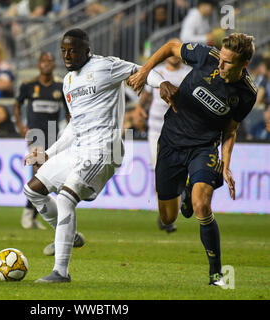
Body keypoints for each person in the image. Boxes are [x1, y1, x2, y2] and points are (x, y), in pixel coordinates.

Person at [22, 28, 162, 283]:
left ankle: (60, 272)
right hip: (79, 148)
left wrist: (162, 84)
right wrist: (48, 153)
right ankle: (69, 235)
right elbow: (75, 125)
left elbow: (141, 71)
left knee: (65, 199)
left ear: (86, 50)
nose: (67, 55)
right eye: (63, 50)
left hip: (104, 147)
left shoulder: (105, 67)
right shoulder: (68, 81)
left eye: (72, 50)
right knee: (33, 190)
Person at [128, 33, 257, 286]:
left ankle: (216, 275)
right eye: (221, 59)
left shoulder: (247, 94)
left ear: (245, 64)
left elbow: (231, 130)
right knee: (168, 218)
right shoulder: (207, 57)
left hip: (203, 147)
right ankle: (186, 190)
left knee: (201, 205)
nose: (220, 65)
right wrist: (146, 72)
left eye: (228, 63)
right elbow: (171, 46)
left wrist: (227, 166)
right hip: (171, 142)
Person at [133, 42, 192, 233]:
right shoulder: (156, 72)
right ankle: (165, 214)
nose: (174, 56)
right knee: (160, 170)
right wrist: (139, 109)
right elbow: (145, 97)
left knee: (180, 166)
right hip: (156, 128)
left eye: (177, 53)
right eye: (171, 53)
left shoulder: (188, 73)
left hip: (180, 128)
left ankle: (181, 195)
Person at [14, 52, 68, 234]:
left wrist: (71, 130)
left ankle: (31, 213)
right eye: (44, 60)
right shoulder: (28, 85)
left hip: (53, 135)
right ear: (38, 64)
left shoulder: (60, 86)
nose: (47, 63)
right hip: (35, 135)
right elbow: (17, 104)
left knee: (46, 173)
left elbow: (68, 110)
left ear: (54, 64)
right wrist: (21, 125)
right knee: (40, 169)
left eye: (50, 60)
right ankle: (29, 213)